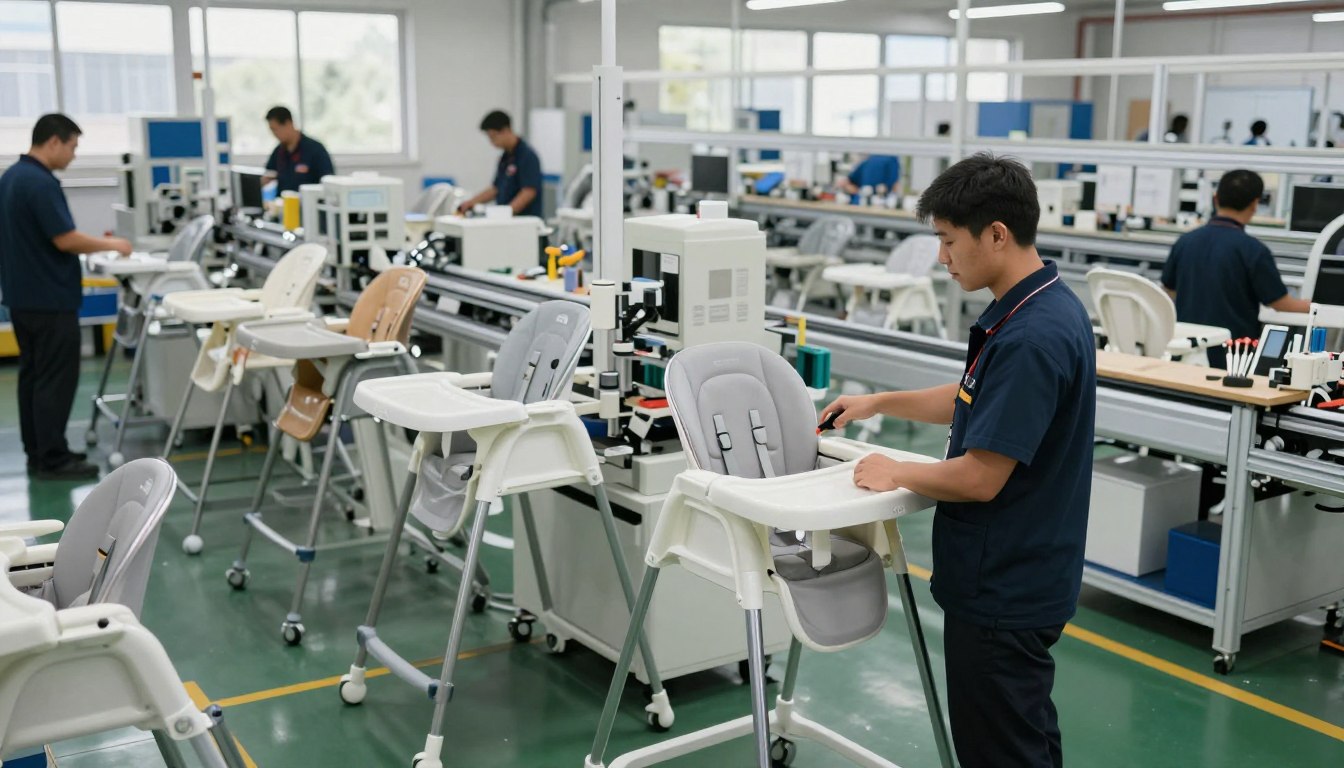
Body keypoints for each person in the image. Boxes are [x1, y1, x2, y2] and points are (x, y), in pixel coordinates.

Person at [820, 154, 1095, 768]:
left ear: (996, 233)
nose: (942, 258)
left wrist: (896, 471)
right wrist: (877, 402)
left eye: (948, 241)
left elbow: (979, 478)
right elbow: (972, 398)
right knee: (1024, 737)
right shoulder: (1042, 306)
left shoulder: (1031, 337)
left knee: (1000, 751)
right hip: (1026, 573)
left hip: (1004, 584)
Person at [0, 114, 133, 479]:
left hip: (21, 296)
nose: (73, 155)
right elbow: (66, 238)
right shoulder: (39, 183)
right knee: (54, 380)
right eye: (73, 146)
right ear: (54, 142)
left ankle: (38, 453)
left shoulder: (10, 177)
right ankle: (55, 459)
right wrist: (112, 244)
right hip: (50, 299)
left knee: (33, 377)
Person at [1162, 169, 1310, 368]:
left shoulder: (1185, 242)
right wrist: (1321, 306)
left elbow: (1169, 291)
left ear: (1216, 199)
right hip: (1233, 360)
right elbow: (1281, 303)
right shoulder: (1254, 250)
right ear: (1255, 204)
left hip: (1186, 354)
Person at [457, 110, 544, 218]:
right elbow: (496, 188)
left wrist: (506, 213)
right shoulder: (505, 157)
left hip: (523, 221)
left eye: (493, 137)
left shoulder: (527, 156)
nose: (492, 142)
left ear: (506, 130)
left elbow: (529, 192)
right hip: (508, 220)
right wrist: (471, 203)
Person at [263, 106, 335, 193]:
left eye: (275, 129)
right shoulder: (278, 151)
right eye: (271, 130)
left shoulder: (315, 149)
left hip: (308, 203)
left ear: (288, 123)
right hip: (283, 204)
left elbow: (329, 182)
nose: (274, 134)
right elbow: (268, 174)